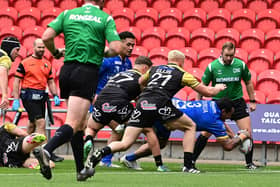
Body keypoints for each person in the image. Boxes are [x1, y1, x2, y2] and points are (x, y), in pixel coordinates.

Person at [83, 50, 227, 174]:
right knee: (190, 126)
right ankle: (187, 166)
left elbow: (140, 81)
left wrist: (150, 86)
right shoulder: (183, 74)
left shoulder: (154, 69)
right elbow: (207, 92)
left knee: (126, 142)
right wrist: (219, 88)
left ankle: (101, 153)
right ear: (181, 62)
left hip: (143, 104)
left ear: (169, 60)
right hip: (160, 103)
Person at [34, 0, 124, 181]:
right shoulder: (105, 18)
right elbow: (116, 48)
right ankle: (47, 150)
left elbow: (45, 37)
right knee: (74, 123)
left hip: (66, 71)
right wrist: (103, 53)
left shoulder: (68, 14)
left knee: (80, 124)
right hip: (87, 71)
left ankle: (80, 170)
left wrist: (55, 52)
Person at [120, 97, 250, 171]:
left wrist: (234, 136)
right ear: (223, 111)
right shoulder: (214, 120)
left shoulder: (211, 104)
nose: (229, 118)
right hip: (165, 117)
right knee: (150, 140)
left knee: (160, 144)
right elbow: (227, 146)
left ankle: (129, 158)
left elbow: (221, 124)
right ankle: (186, 166)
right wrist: (243, 136)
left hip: (168, 107)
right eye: (229, 114)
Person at [195, 41, 258, 170]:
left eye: (231, 55)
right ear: (221, 53)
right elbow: (202, 86)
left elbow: (248, 82)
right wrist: (199, 102)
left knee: (247, 133)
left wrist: (252, 100)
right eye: (227, 55)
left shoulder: (240, 65)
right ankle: (190, 161)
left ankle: (249, 163)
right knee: (206, 133)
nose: (229, 58)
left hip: (237, 102)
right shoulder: (212, 67)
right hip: (218, 104)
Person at [84, 56, 152, 166]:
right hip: (119, 103)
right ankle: (104, 154)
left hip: (101, 100)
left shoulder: (120, 74)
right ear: (145, 68)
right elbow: (141, 99)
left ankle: (88, 139)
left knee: (92, 127)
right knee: (145, 130)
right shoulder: (141, 79)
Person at [84, 31, 136, 167]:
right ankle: (93, 157)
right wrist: (92, 98)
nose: (131, 48)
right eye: (128, 44)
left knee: (117, 129)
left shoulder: (128, 64)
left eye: (133, 45)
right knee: (112, 128)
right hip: (99, 101)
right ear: (120, 43)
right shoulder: (107, 60)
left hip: (116, 103)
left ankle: (103, 159)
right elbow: (91, 78)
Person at [12, 38, 63, 162]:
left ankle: (22, 151)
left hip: (41, 96)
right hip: (28, 95)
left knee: (31, 125)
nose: (41, 49)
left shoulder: (47, 63)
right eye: (39, 47)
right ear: (33, 48)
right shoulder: (25, 62)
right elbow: (17, 81)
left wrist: (55, 94)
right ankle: (46, 152)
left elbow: (50, 81)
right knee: (41, 123)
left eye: (43, 47)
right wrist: (16, 99)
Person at [0, 36, 20, 109]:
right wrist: (5, 95)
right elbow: (2, 71)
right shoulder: (5, 58)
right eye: (17, 50)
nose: (18, 53)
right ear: (10, 48)